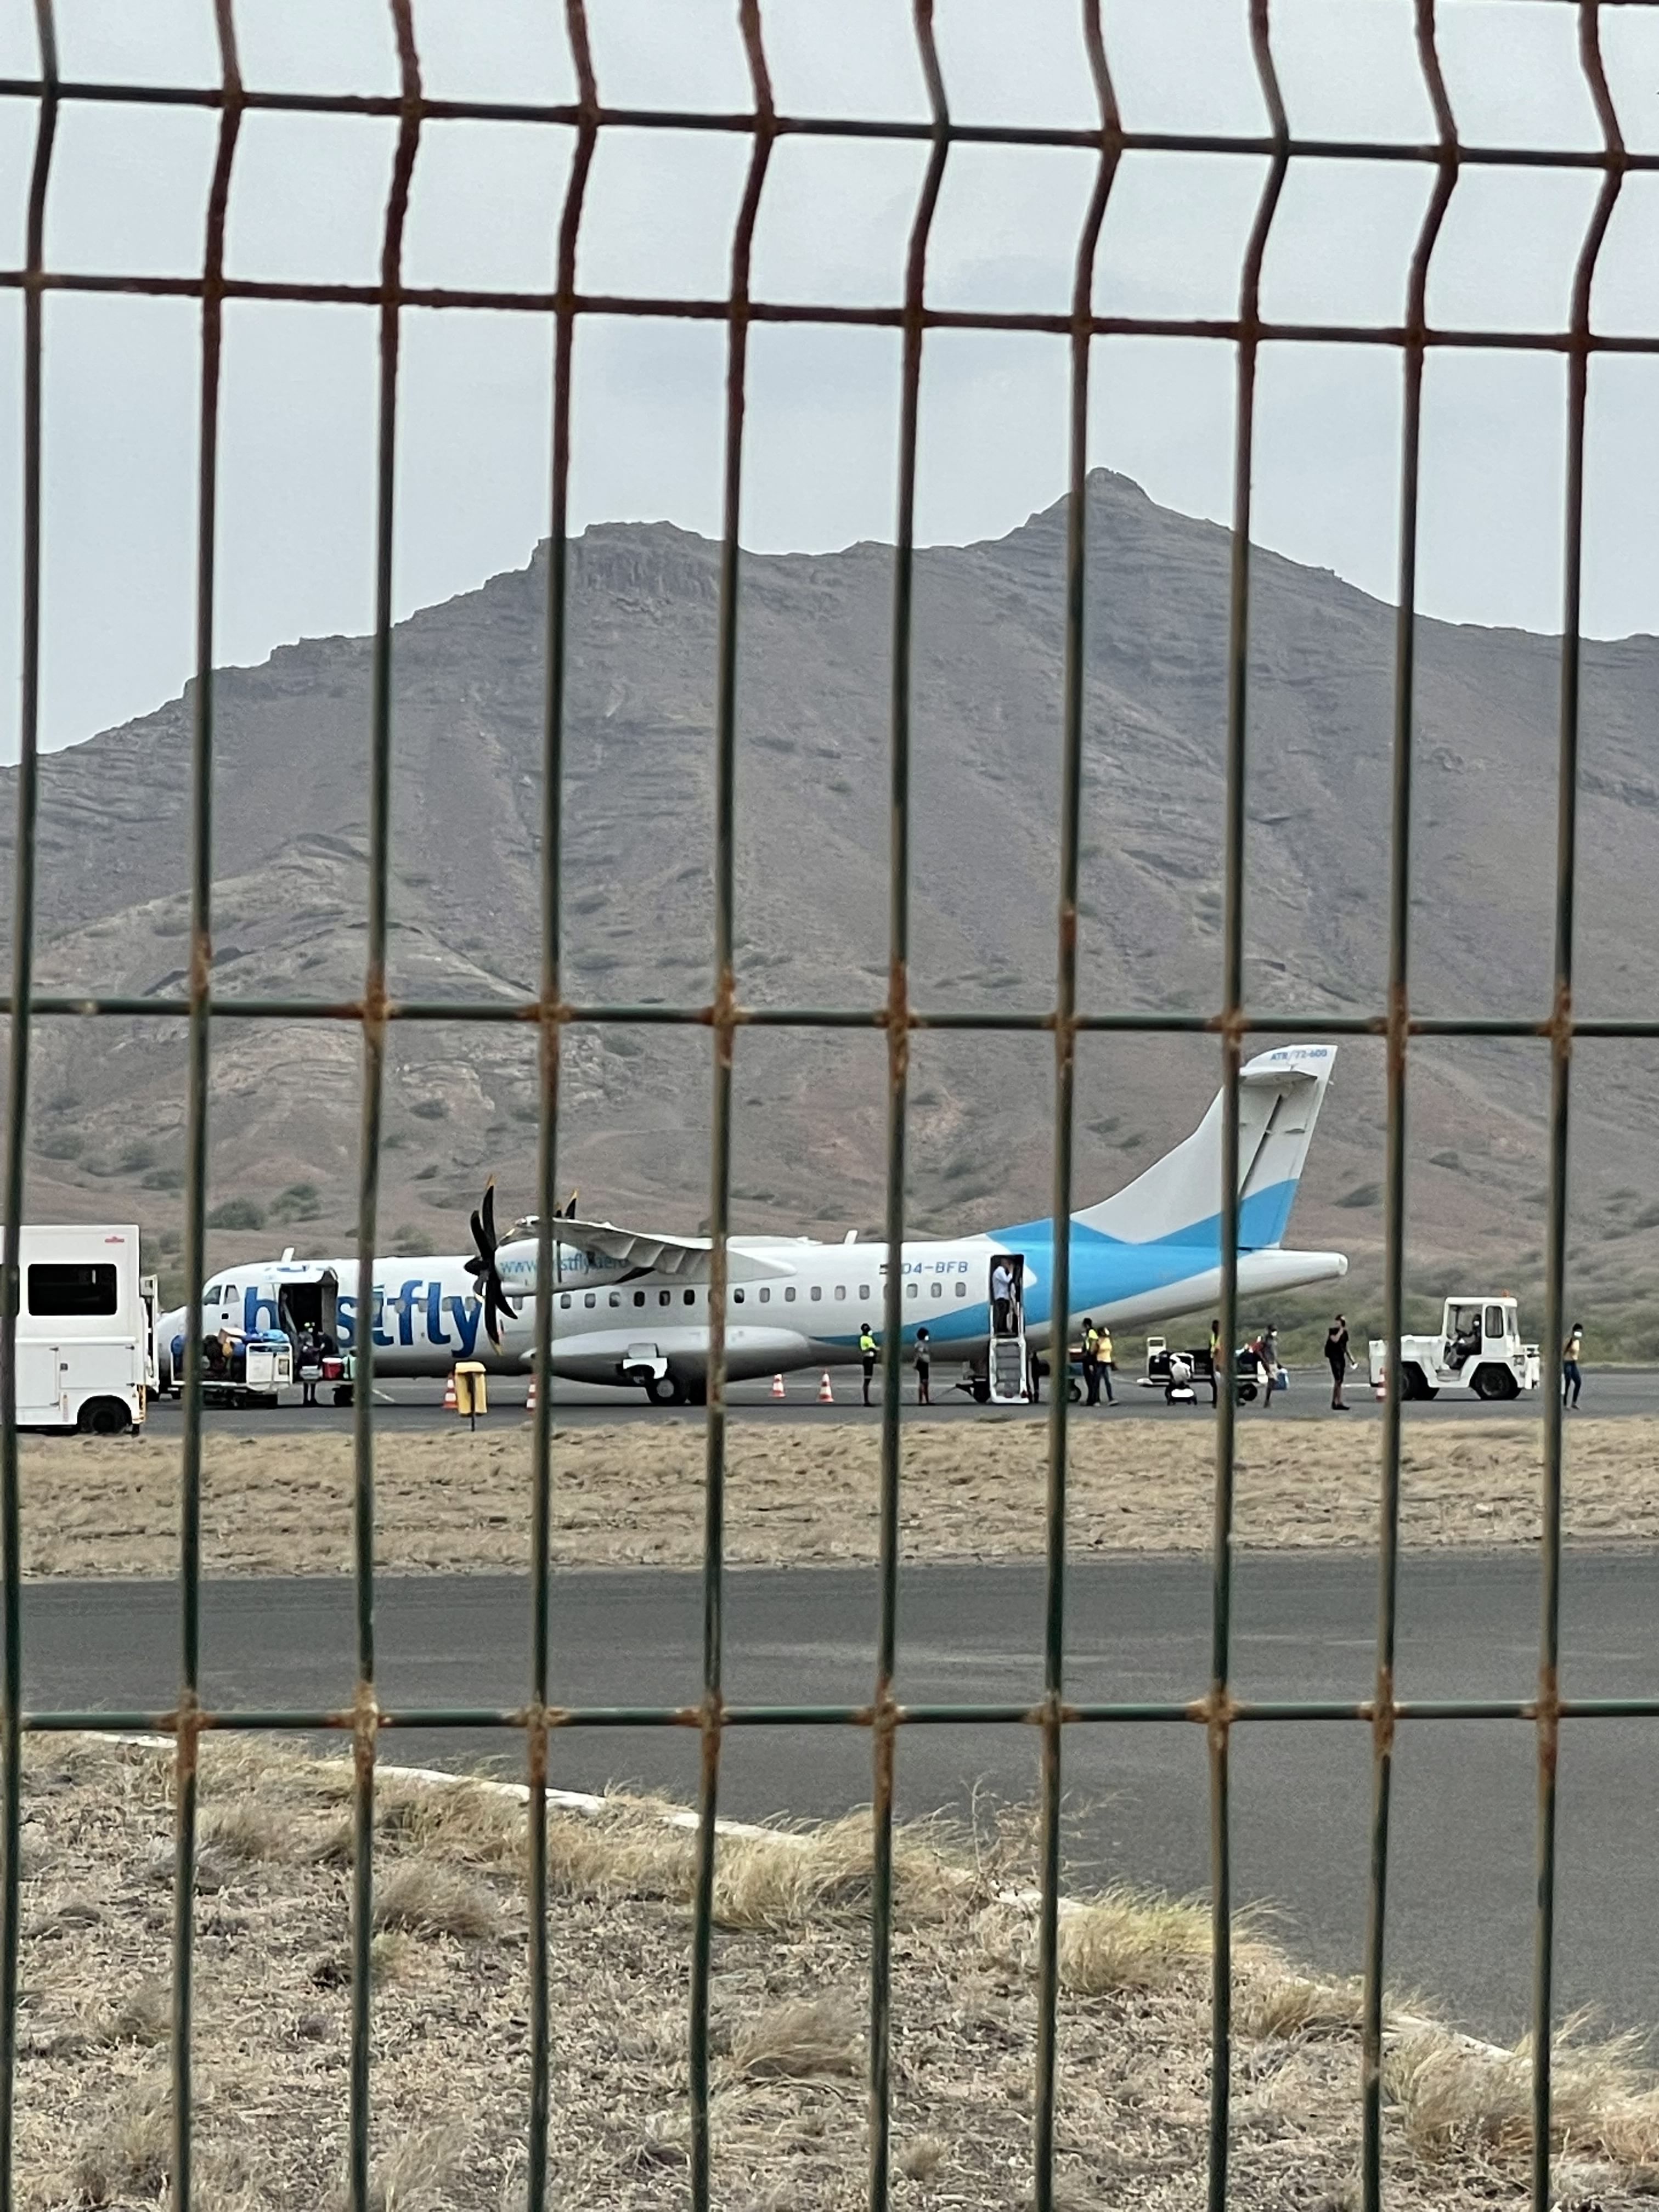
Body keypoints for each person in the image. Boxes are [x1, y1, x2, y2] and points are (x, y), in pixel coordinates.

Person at [1325, 1313, 1352, 1410]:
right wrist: (1340, 1331)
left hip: (1341, 1357)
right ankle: (1335, 1401)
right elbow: (1335, 1340)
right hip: (1334, 1357)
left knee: (1340, 1380)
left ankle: (1338, 1401)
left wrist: (1351, 1359)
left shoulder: (1345, 1333)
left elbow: (1346, 1347)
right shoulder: (1332, 1331)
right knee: (1337, 1379)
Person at [990, 1259, 1015, 1337]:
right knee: (1002, 1314)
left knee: (1004, 1314)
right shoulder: (1000, 1271)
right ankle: (1001, 1330)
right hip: (1001, 1297)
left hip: (1004, 1297)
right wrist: (1011, 1272)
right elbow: (1007, 1280)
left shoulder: (1001, 1271)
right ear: (1005, 1264)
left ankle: (1003, 1329)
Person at [1080, 1317, 1102, 1406]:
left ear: (1086, 1325)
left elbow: (1094, 1342)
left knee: (1091, 1380)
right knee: (1090, 1380)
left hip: (1090, 1359)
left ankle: (1093, 1400)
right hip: (1089, 1358)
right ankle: (1092, 1399)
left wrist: (1090, 1354)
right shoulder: (1088, 1333)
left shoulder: (1091, 1332)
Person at [1562, 1320, 1583, 1409]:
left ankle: (1574, 1402)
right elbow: (1563, 1352)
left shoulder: (1578, 1342)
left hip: (1574, 1363)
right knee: (1567, 1383)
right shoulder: (1568, 1341)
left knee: (1578, 1382)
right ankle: (1565, 1404)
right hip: (1567, 1363)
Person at [858, 1320, 878, 1407]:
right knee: (867, 1380)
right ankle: (866, 1401)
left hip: (871, 1359)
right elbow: (866, 1349)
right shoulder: (864, 1339)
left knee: (869, 1379)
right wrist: (874, 1349)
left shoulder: (868, 1338)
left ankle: (867, 1400)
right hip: (868, 1359)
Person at [1097, 1319, 1115, 1405]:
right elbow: (1095, 1350)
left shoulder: (1107, 1340)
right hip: (1100, 1362)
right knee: (1097, 1381)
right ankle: (1097, 1399)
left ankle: (1111, 1398)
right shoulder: (1098, 1341)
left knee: (1108, 1381)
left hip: (1107, 1361)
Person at [915, 1325, 931, 1406]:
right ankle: (922, 1401)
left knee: (925, 1382)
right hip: (923, 1363)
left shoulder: (923, 1344)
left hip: (925, 1363)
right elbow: (919, 1354)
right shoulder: (921, 1344)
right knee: (924, 1382)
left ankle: (926, 1400)